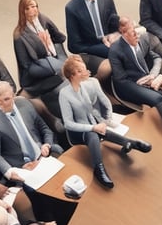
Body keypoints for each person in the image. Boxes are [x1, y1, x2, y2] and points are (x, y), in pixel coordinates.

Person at [59, 55, 152, 189]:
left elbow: (93, 109)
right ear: (72, 76)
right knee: (93, 134)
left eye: (83, 69)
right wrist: (92, 127)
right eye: (80, 71)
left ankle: (129, 142)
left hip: (93, 124)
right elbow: (68, 124)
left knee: (98, 131)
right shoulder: (64, 94)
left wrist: (100, 124)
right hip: (77, 133)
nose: (85, 72)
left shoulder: (84, 86)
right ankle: (99, 168)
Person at [109, 17, 162, 143]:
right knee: (158, 98)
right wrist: (143, 83)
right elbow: (120, 79)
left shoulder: (141, 40)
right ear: (123, 32)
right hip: (127, 85)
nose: (136, 33)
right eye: (132, 30)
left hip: (147, 78)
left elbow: (156, 58)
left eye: (136, 28)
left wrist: (153, 75)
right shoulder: (115, 50)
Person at [0, 81, 63, 181]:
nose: (2, 104)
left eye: (6, 99)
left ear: (13, 96)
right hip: (23, 166)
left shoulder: (24, 104)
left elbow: (44, 128)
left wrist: (47, 144)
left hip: (42, 155)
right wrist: (9, 172)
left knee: (62, 159)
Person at [13, 0, 68, 121]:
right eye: (29, 7)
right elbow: (26, 65)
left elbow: (60, 38)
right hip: (36, 72)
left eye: (35, 6)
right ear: (23, 11)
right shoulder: (19, 35)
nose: (34, 10)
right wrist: (48, 61)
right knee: (61, 75)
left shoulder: (43, 19)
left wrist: (49, 42)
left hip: (53, 62)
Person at [64, 0, 120, 82]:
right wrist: (102, 47)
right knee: (118, 53)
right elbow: (73, 45)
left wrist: (116, 33)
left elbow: (113, 21)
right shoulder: (72, 8)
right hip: (92, 46)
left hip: (110, 40)